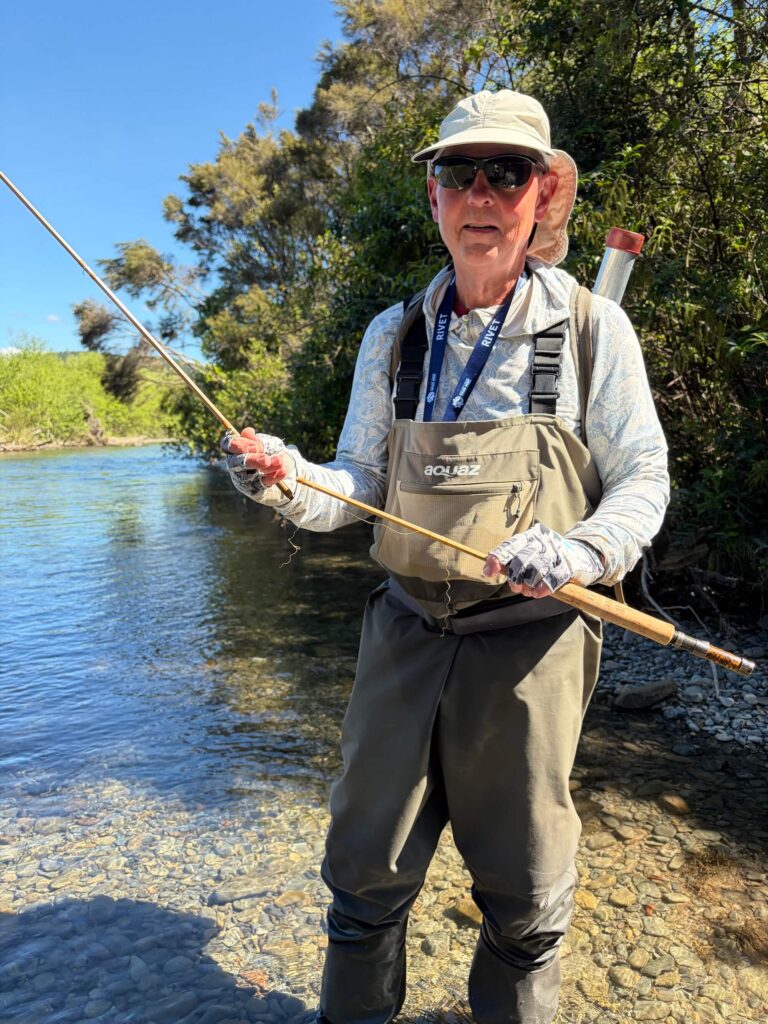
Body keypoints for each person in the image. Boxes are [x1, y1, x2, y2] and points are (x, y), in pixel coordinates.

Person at [222, 90, 669, 1024]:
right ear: (434, 197)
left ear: (542, 195)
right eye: (457, 172)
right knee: (363, 868)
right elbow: (353, 484)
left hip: (534, 641)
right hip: (406, 629)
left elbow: (644, 481)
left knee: (525, 885)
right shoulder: (395, 335)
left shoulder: (595, 331)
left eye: (505, 172)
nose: (481, 192)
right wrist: (279, 475)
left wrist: (582, 548)